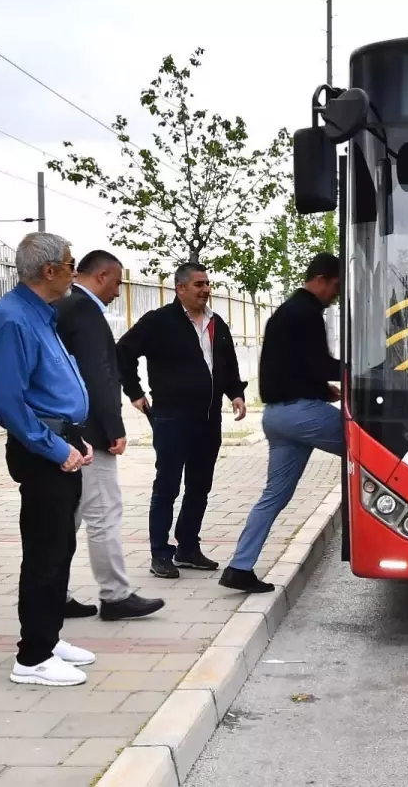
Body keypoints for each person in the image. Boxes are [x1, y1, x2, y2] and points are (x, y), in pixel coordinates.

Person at [0, 232, 97, 687]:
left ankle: (47, 638)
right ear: (49, 270)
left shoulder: (40, 315)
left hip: (62, 443)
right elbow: (8, 404)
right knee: (45, 552)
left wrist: (77, 438)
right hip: (43, 451)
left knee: (60, 547)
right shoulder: (12, 320)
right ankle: (31, 658)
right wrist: (56, 448)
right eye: (71, 265)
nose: (74, 272)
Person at [220, 253, 343, 593]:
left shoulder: (286, 313)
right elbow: (318, 364)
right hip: (301, 414)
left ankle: (239, 567)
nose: (335, 293)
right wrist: (361, 368)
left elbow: (293, 365)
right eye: (335, 285)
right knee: (372, 448)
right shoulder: (307, 313)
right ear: (320, 278)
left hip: (276, 416)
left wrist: (321, 388)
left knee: (274, 496)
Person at [117, 262, 248, 579]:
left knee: (200, 486)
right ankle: (160, 554)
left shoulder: (216, 323)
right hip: (172, 418)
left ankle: (187, 547)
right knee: (167, 486)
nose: (205, 289)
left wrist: (236, 394)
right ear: (181, 289)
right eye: (199, 284)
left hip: (208, 419)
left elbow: (227, 363)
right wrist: (134, 392)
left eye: (207, 283)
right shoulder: (159, 322)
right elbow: (122, 352)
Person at [54, 249, 165, 621]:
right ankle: (115, 596)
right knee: (103, 512)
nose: (119, 292)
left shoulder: (63, 306)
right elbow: (98, 375)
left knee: (67, 516)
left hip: (63, 431)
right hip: (89, 434)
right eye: (117, 282)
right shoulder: (85, 313)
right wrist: (114, 429)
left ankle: (54, 593)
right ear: (101, 276)